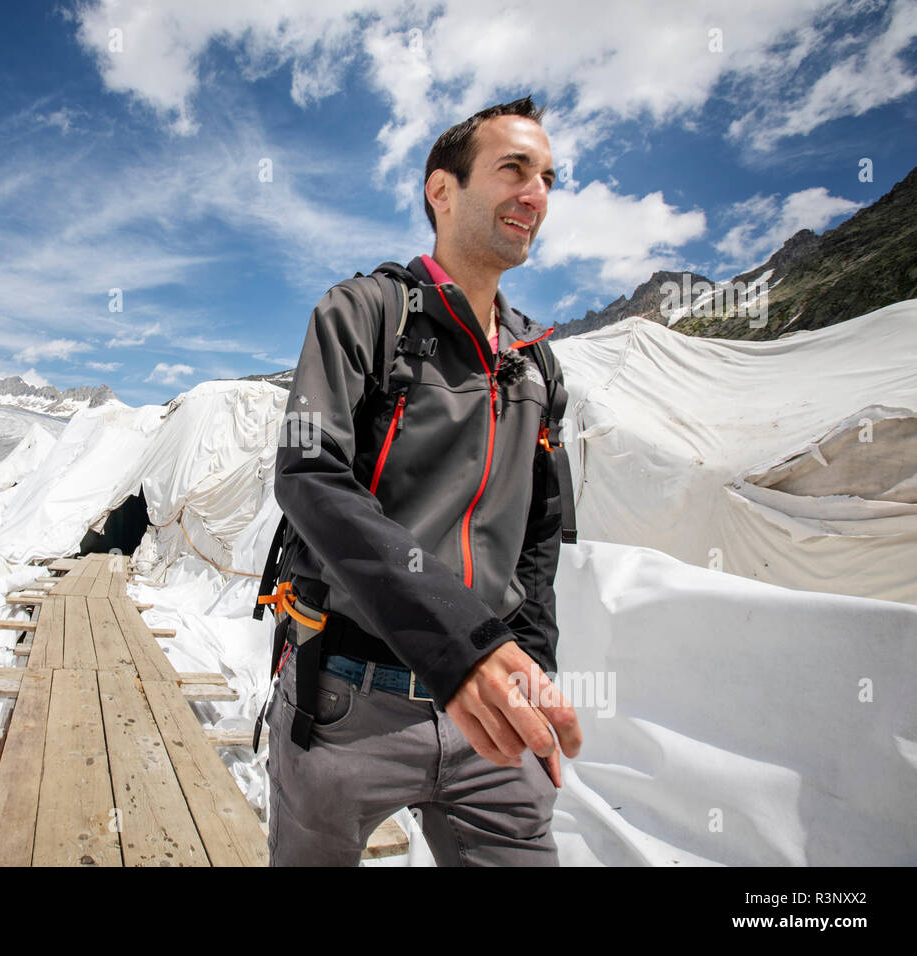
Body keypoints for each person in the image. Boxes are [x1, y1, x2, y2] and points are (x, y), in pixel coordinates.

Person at [262, 96, 583, 867]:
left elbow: (539, 533)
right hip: (346, 699)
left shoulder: (536, 361)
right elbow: (309, 474)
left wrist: (530, 660)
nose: (535, 195)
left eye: (546, 177)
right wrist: (456, 647)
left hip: (491, 720)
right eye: (513, 169)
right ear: (442, 190)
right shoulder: (362, 313)